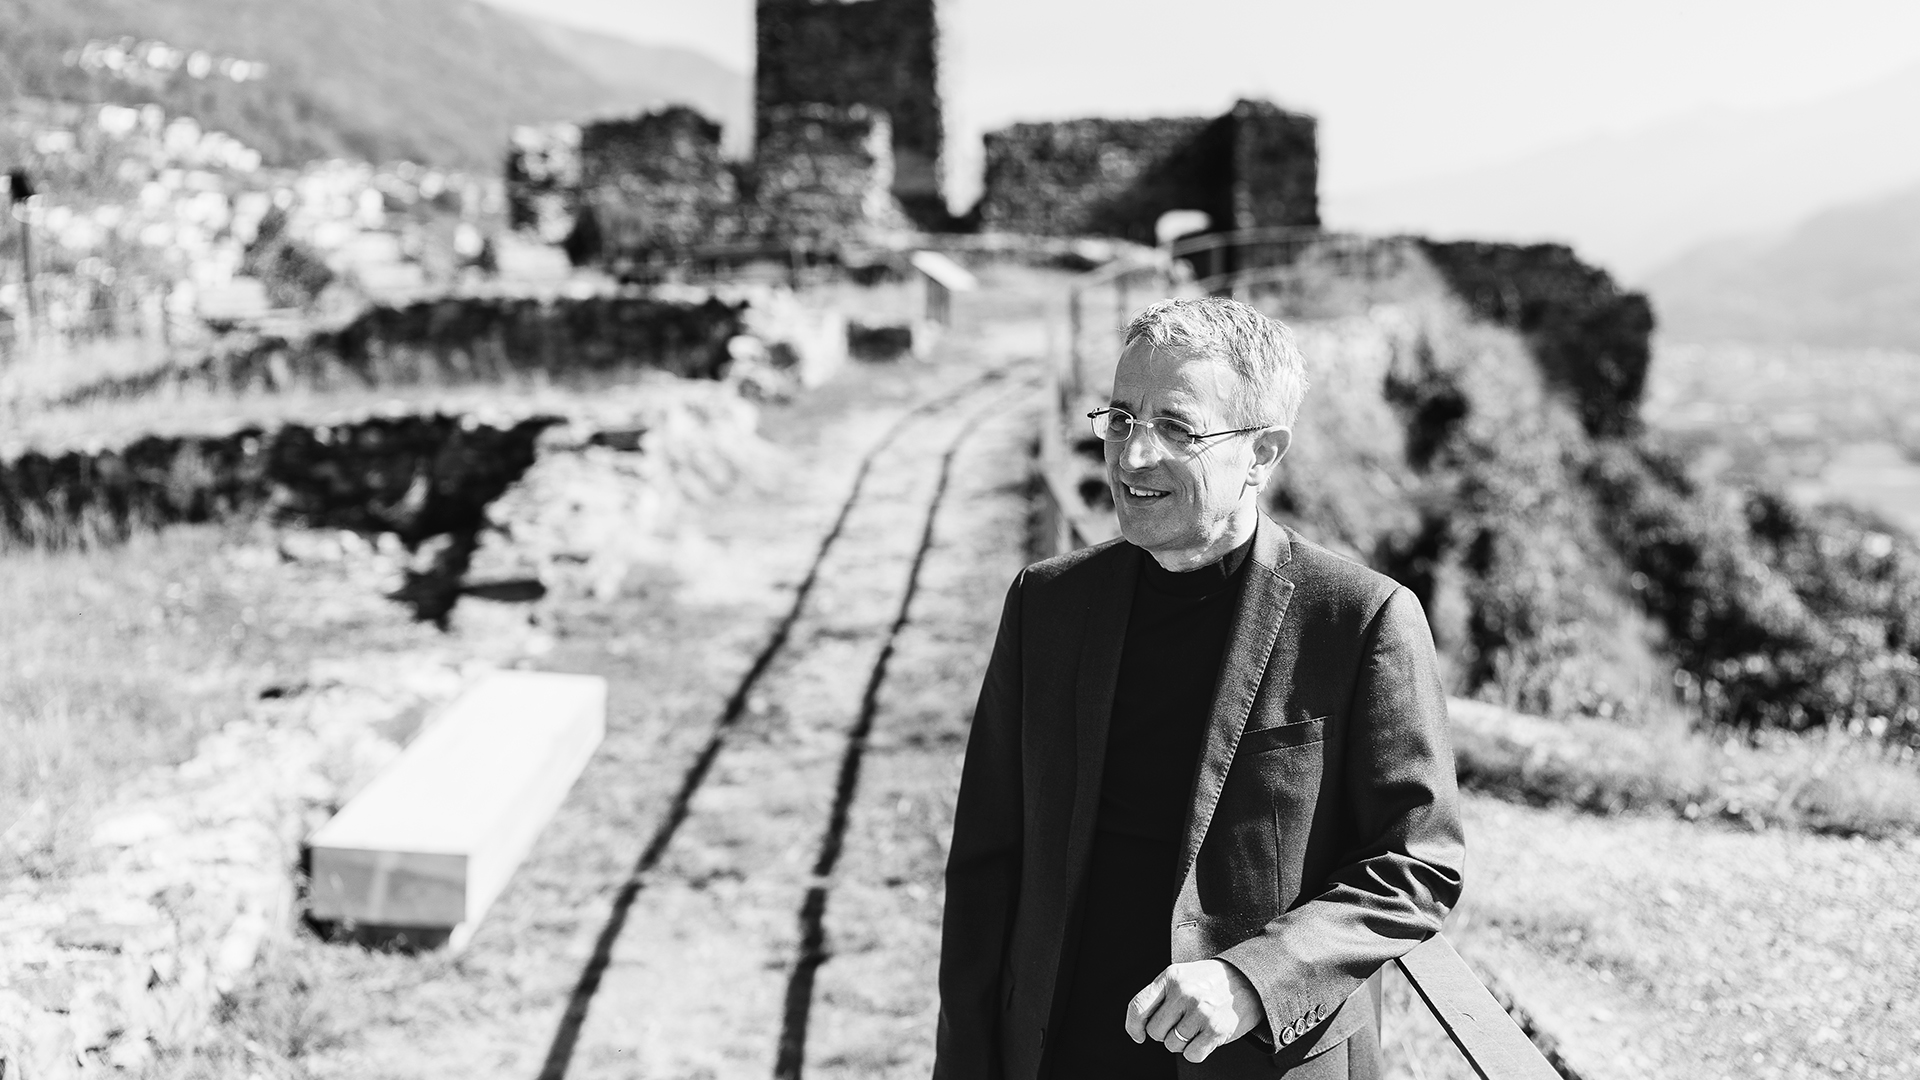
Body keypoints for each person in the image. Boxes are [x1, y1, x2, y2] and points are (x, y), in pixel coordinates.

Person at [934, 298, 1465, 1080]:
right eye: (1121, 418)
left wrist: (1254, 979)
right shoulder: (1046, 604)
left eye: (1177, 428)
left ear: (1262, 453)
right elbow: (987, 865)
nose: (1133, 455)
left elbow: (1418, 862)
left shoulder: (1361, 619)